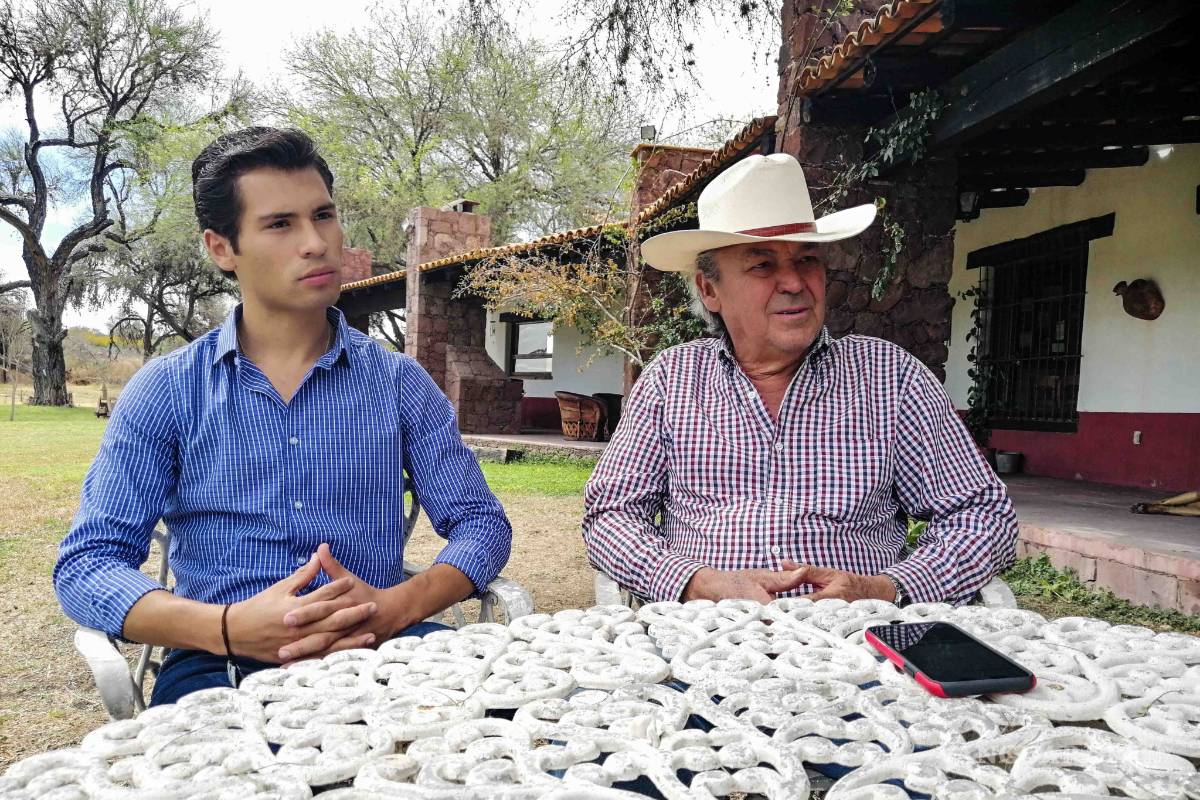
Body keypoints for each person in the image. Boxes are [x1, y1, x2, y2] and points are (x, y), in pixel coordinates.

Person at [54, 127, 512, 705]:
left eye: (323, 215)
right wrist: (224, 626)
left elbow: (481, 523)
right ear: (221, 248)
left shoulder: (398, 383)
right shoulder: (167, 391)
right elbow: (88, 565)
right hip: (222, 667)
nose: (316, 242)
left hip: (387, 649)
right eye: (280, 224)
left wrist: (402, 604)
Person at [582, 153, 1017, 607]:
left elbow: (984, 514)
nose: (793, 282)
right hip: (704, 640)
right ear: (710, 290)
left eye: (807, 259)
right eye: (763, 265)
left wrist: (886, 588)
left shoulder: (892, 378)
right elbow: (610, 515)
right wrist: (694, 581)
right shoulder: (673, 380)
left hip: (862, 646)